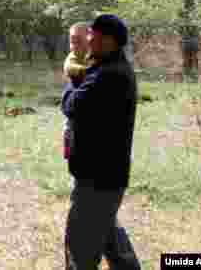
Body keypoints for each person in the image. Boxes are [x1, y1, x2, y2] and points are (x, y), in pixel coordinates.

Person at [62, 14, 141, 270]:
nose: (87, 39)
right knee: (108, 237)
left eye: (91, 34)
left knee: (81, 248)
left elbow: (72, 105)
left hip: (97, 178)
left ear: (107, 40)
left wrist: (73, 82)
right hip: (104, 176)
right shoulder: (106, 68)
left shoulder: (109, 75)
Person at [62, 23, 91, 159]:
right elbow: (69, 67)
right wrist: (87, 71)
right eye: (72, 41)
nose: (74, 44)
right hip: (74, 110)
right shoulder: (72, 57)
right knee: (70, 130)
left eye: (78, 39)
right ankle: (70, 152)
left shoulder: (93, 54)